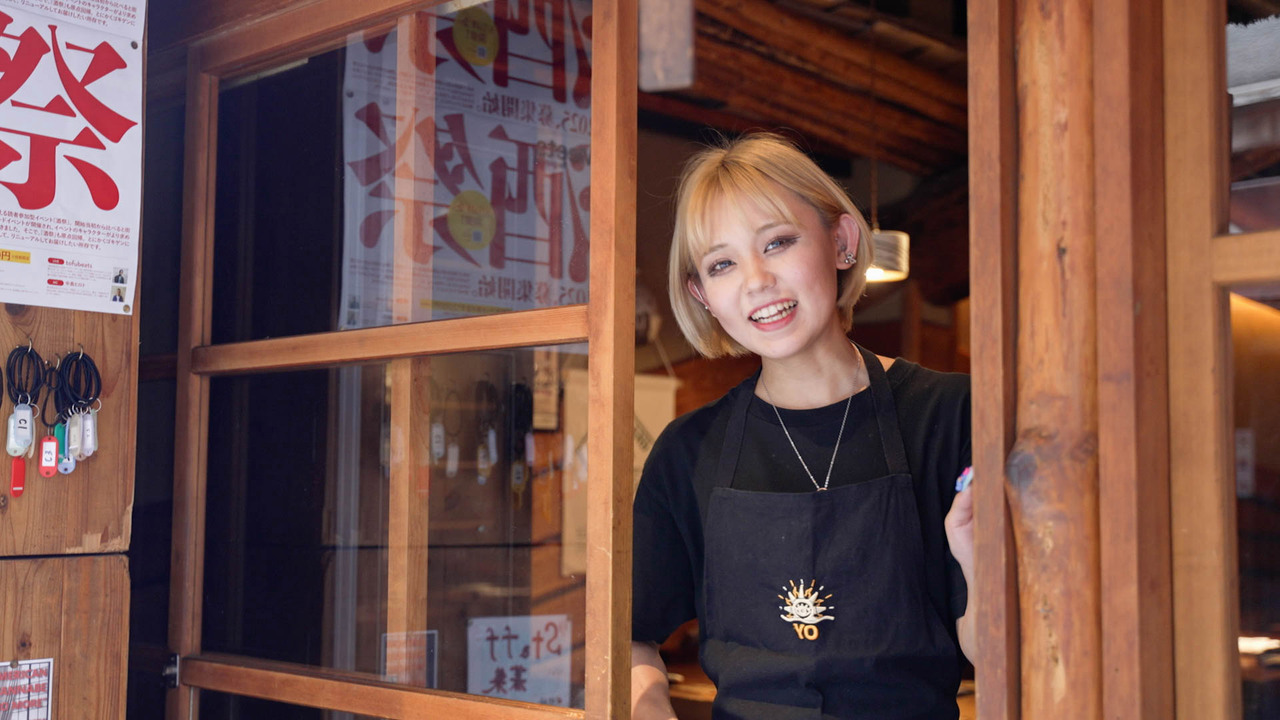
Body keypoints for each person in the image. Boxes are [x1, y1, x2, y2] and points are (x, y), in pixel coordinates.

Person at [631, 132, 974, 720]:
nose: (756, 280)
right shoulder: (689, 451)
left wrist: (977, 558)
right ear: (703, 295)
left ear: (840, 242)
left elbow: (1006, 654)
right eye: (722, 264)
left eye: (779, 242)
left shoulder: (951, 416)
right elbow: (631, 635)